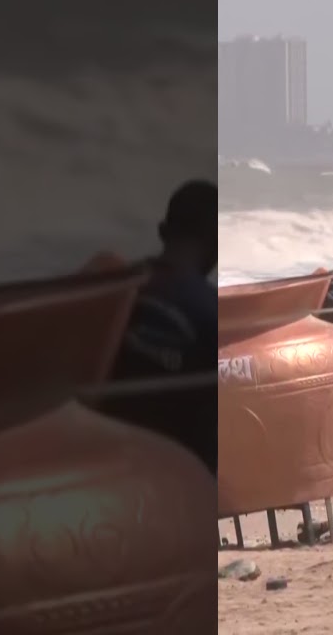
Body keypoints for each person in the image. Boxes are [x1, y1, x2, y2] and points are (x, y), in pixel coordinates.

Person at [107, 179, 218, 474]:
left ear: (162, 231)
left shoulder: (116, 286)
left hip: (110, 444)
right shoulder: (210, 310)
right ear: (216, 244)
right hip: (177, 464)